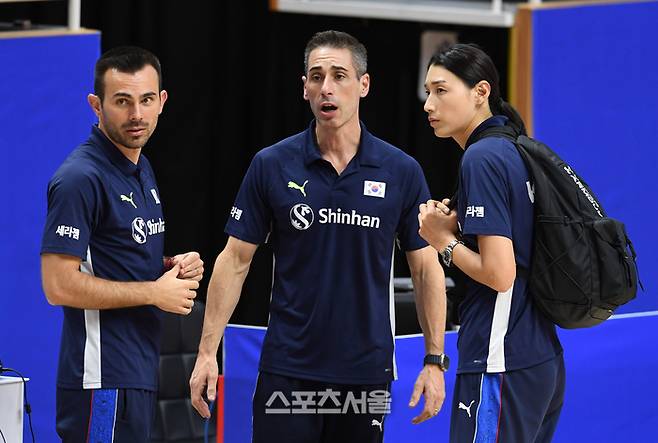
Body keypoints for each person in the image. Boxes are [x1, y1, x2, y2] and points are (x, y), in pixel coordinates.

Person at [189, 30, 447, 442]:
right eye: (316, 76)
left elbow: (425, 268)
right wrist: (206, 353)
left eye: (339, 75)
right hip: (288, 375)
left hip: (366, 378)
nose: (326, 88)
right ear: (304, 88)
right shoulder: (272, 165)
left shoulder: (401, 171)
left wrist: (434, 361)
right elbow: (235, 260)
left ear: (363, 85)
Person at [40, 46, 204, 443]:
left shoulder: (140, 167)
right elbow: (57, 285)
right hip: (102, 377)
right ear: (96, 105)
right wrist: (154, 292)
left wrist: (169, 266)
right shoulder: (81, 178)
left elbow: (116, 256)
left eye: (147, 100)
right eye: (122, 102)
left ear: (162, 101)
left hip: (137, 371)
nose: (136, 115)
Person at [417, 43, 565, 442]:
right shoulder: (514, 148)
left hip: (499, 360)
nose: (429, 103)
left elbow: (499, 274)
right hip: (540, 360)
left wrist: (442, 240)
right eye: (428, 91)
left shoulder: (482, 158)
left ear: (481, 92)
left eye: (441, 90)